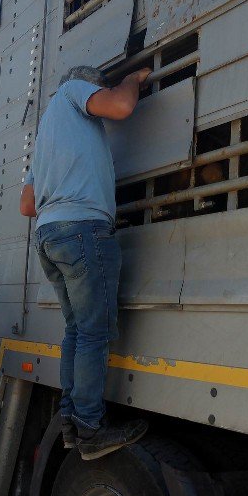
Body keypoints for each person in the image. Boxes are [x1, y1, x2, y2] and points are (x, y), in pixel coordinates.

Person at [19, 65, 151, 460]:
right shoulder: (72, 91)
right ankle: (91, 428)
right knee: (93, 332)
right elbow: (123, 106)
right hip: (81, 230)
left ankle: (72, 424)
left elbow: (26, 204)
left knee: (76, 330)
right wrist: (132, 79)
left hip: (49, 236)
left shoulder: (45, 138)